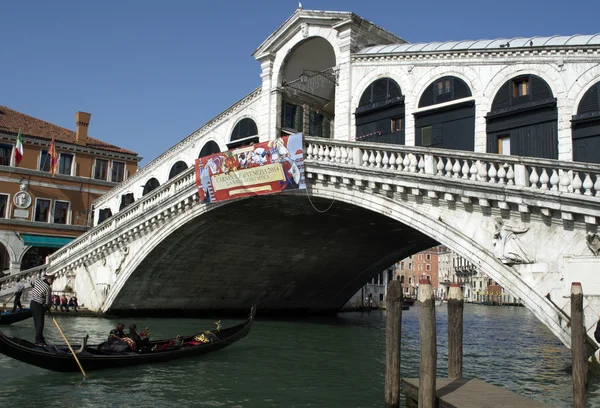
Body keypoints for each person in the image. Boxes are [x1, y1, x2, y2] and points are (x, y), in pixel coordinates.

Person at [30, 274, 55, 346]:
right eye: (52, 280)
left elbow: (31, 281)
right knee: (40, 324)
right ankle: (38, 341)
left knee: (37, 323)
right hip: (38, 305)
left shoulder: (38, 281)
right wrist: (47, 308)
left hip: (32, 303)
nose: (52, 282)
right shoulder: (48, 288)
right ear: (49, 279)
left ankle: (41, 339)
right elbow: (48, 302)